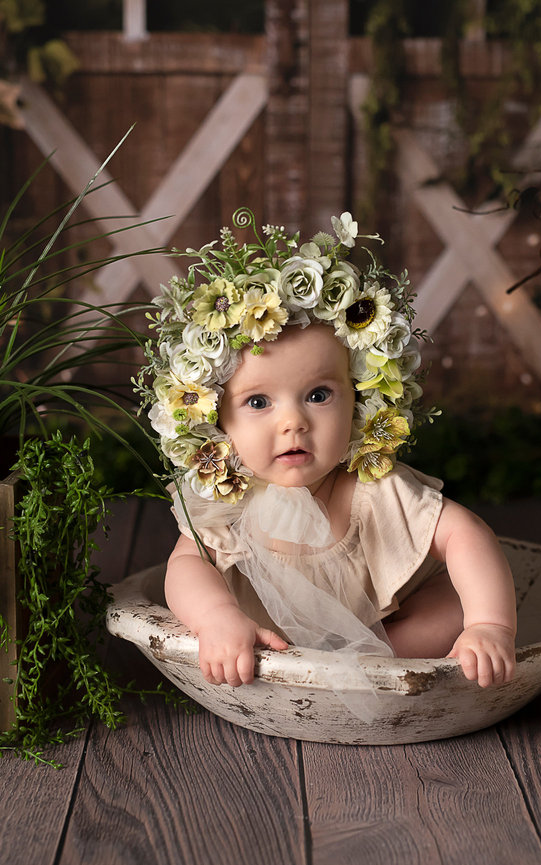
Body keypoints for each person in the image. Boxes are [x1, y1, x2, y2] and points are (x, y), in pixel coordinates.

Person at [141, 209, 516, 705]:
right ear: (215, 420)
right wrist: (216, 618)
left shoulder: (373, 487)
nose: (293, 422)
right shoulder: (226, 502)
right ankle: (290, 657)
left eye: (318, 395)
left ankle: (377, 662)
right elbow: (186, 566)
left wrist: (491, 625)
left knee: (450, 609)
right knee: (200, 583)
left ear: (359, 399)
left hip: (386, 626)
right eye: (258, 403)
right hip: (271, 637)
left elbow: (465, 535)